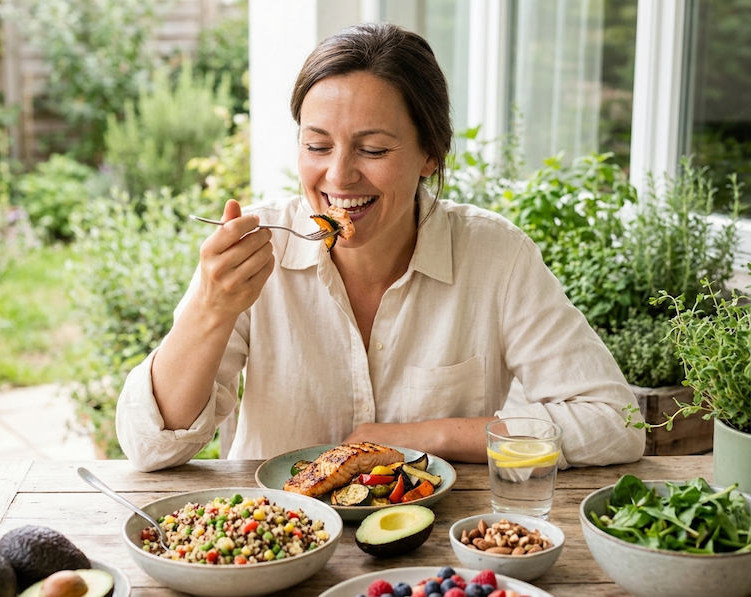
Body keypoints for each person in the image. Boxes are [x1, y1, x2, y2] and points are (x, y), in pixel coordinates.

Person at [116, 22, 645, 472]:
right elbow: (149, 446)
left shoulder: (495, 257)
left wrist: (423, 436)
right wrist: (211, 308)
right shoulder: (258, 248)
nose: (339, 175)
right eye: (317, 145)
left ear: (430, 153)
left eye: (372, 149)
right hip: (277, 536)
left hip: (433, 541)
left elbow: (614, 424)